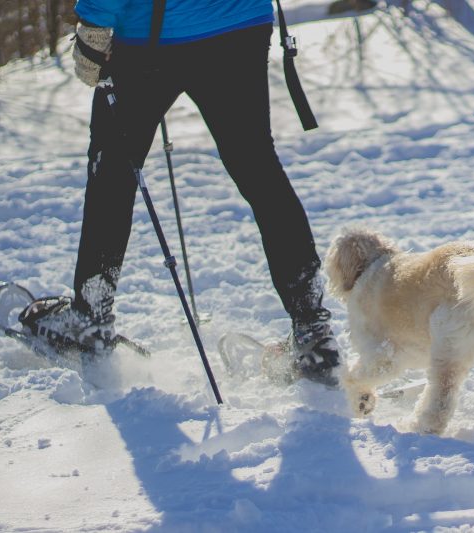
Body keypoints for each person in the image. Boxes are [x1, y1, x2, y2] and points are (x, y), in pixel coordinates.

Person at [20, 0, 340, 386]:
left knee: (113, 174)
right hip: (238, 25)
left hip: (150, 34)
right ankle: (313, 333)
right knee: (258, 169)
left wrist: (96, 20)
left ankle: (90, 322)